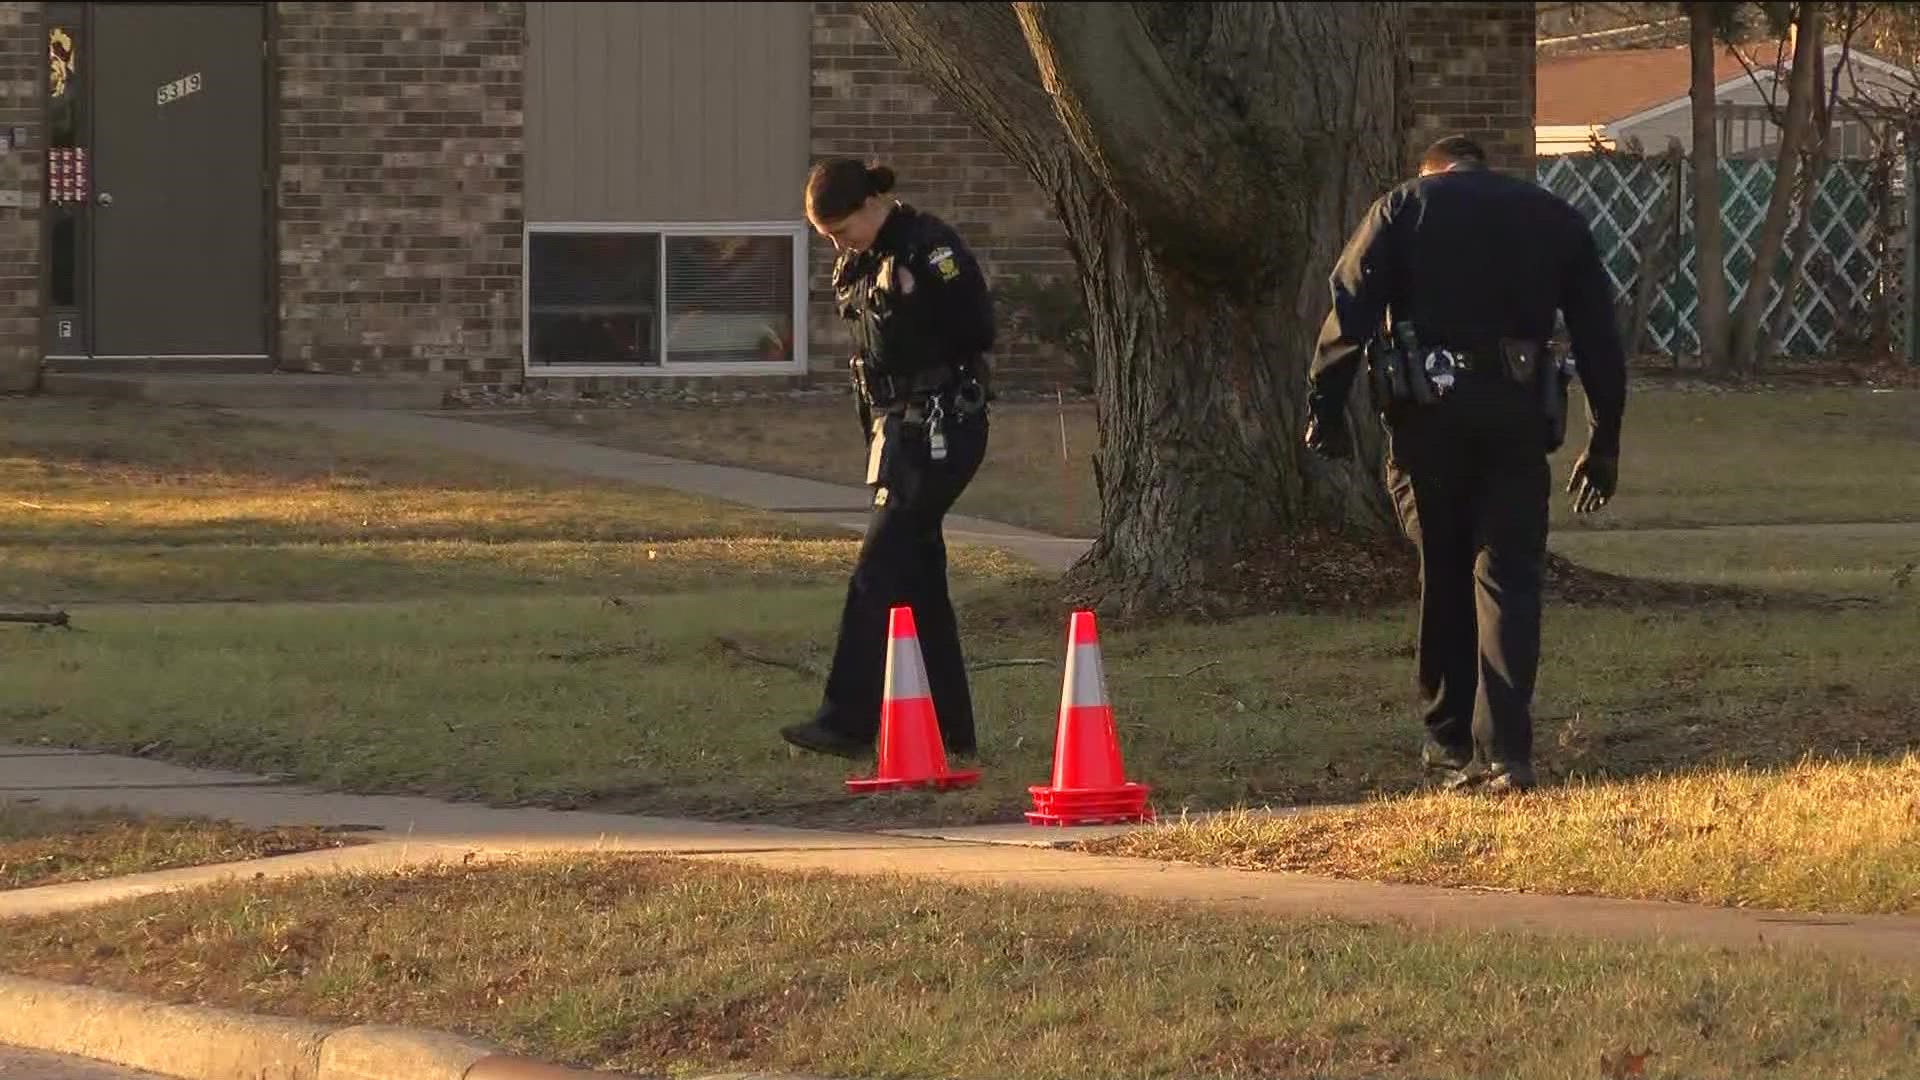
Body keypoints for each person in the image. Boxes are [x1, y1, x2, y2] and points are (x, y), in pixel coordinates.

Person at [1302, 135, 1627, 795]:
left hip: (1428, 421)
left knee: (1444, 573)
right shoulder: (1551, 216)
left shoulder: (1403, 208)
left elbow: (1349, 313)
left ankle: (1448, 742)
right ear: (1482, 165)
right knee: (1509, 580)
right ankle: (1508, 752)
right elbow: (1598, 334)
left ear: (1434, 169)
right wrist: (1605, 439)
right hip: (1516, 415)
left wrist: (1326, 409)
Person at [779, 158, 995, 761]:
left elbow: (978, 329)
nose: (838, 244)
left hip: (941, 425)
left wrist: (912, 305)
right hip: (897, 429)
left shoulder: (930, 250)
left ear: (872, 206)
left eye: (843, 229)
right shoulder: (861, 263)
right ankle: (952, 731)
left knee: (876, 570)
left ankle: (846, 722)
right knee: (919, 580)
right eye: (828, 238)